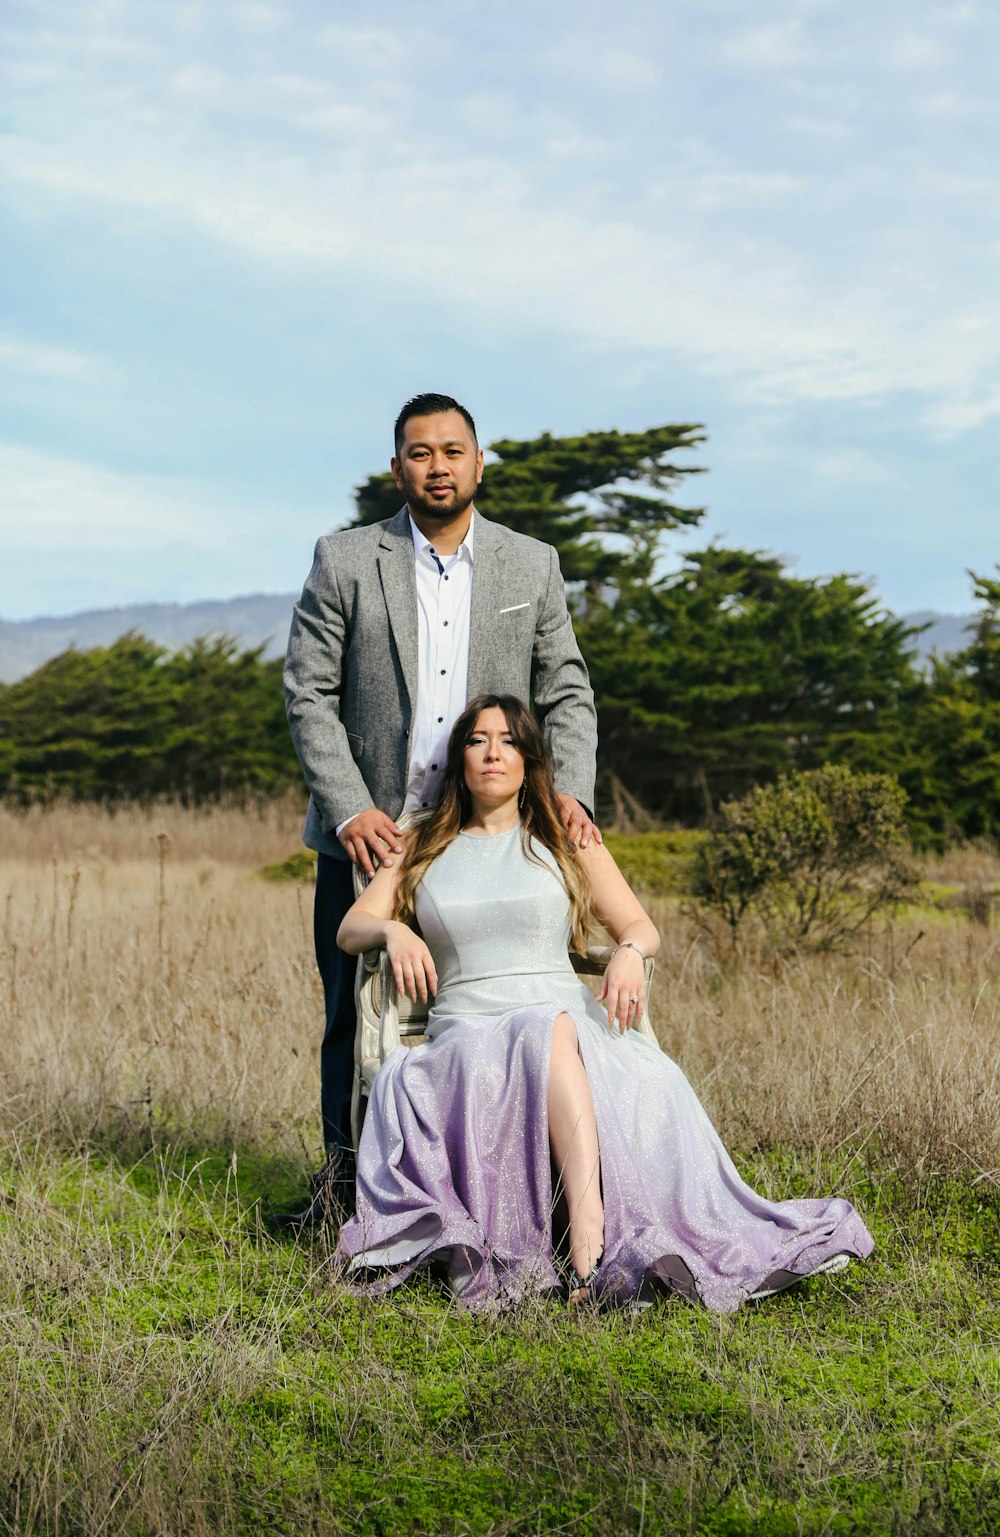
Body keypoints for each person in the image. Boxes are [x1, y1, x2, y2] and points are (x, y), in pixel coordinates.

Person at [334, 695, 874, 1310]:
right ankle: (587, 1256)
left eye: (508, 741)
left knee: (562, 1028)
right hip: (471, 1032)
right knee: (548, 1028)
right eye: (477, 740)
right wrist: (393, 929)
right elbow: (351, 928)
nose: (491, 753)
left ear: (528, 758)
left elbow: (641, 926)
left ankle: (587, 1247)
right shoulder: (423, 844)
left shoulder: (565, 837)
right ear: (458, 758)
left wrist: (626, 953)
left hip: (568, 1020)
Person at [276, 394, 598, 1229]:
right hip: (371, 838)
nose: (438, 466)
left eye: (453, 451)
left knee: (493, 1016)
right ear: (399, 469)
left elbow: (566, 688)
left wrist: (569, 794)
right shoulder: (346, 559)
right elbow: (308, 694)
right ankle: (349, 1198)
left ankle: (499, 1197)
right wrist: (349, 811)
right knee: (355, 1019)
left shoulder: (531, 564)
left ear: (479, 462)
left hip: (490, 832)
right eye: (420, 453)